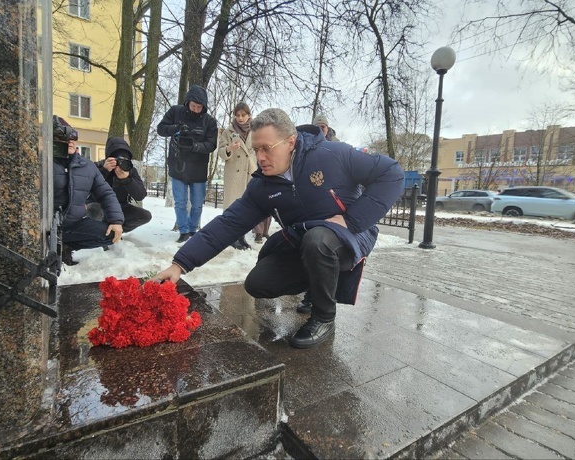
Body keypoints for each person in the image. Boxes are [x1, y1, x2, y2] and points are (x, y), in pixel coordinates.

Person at [150, 108, 404, 349]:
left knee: (319, 240)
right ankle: (316, 285)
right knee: (259, 284)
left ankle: (324, 316)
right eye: (255, 149)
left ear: (290, 142)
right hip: (303, 242)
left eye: (266, 149)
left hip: (349, 234)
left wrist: (353, 220)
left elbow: (391, 173)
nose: (260, 158)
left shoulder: (332, 155)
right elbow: (227, 224)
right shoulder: (263, 186)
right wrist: (179, 264)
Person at [51, 116, 123, 265]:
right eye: (62, 137)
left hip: (72, 224)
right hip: (45, 225)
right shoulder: (42, 161)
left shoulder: (87, 165)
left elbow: (105, 193)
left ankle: (66, 246)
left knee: (110, 234)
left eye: (72, 136)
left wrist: (116, 220)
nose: (69, 141)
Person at [156, 85, 218, 243]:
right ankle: (183, 231)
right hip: (178, 166)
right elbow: (161, 129)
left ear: (204, 107)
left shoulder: (209, 121)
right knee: (180, 202)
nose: (196, 109)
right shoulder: (175, 112)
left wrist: (195, 146)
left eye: (199, 107)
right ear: (187, 102)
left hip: (199, 168)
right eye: (193, 106)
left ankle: (192, 229)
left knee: (197, 204)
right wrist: (176, 128)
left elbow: (211, 144)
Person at [217, 101, 270, 249]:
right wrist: (229, 148)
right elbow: (220, 152)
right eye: (237, 115)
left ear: (249, 115)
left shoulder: (255, 130)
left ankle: (241, 237)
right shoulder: (228, 131)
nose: (240, 118)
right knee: (232, 206)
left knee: (246, 207)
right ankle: (231, 237)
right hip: (234, 172)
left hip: (250, 171)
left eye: (243, 115)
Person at [87, 137, 152, 234]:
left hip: (120, 206)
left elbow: (140, 195)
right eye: (117, 160)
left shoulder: (130, 170)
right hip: (98, 204)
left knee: (145, 215)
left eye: (125, 160)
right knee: (94, 209)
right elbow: (86, 188)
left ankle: (114, 233)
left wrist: (127, 180)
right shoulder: (97, 166)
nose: (120, 163)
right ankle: (98, 233)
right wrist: (104, 171)